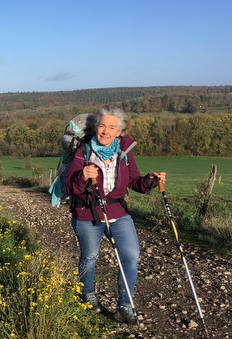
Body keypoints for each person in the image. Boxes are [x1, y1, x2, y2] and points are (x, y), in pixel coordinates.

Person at [65, 107, 166, 325]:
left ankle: (124, 306)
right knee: (90, 257)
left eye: (112, 127)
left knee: (130, 256)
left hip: (118, 213)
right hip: (87, 213)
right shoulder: (83, 150)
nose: (105, 131)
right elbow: (70, 187)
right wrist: (82, 177)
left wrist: (150, 179)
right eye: (102, 126)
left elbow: (134, 181)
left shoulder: (124, 151)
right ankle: (88, 294)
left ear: (119, 132)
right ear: (95, 127)